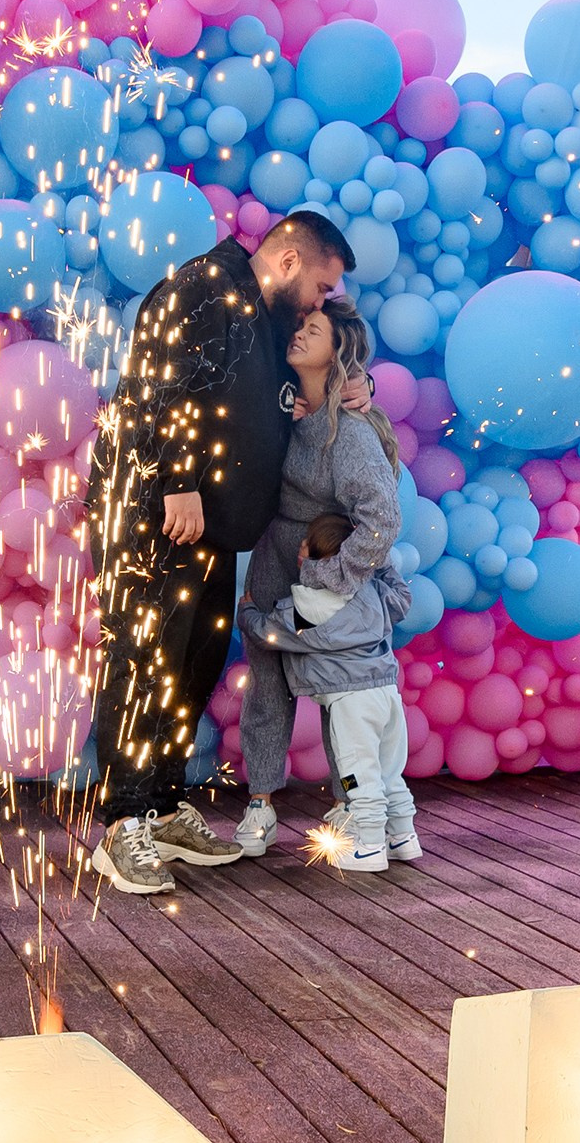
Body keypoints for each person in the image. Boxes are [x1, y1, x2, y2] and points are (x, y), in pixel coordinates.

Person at [87, 209, 359, 896]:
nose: (321, 303)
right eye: (322, 287)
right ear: (292, 261)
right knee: (146, 658)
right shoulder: (202, 288)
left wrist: (359, 386)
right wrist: (177, 479)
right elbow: (157, 382)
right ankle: (121, 826)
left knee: (191, 664)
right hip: (155, 514)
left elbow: (290, 376)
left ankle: (161, 804)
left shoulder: (263, 313)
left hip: (208, 529)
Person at [232, 297, 408, 858]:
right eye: (300, 326)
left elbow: (382, 518)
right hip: (274, 556)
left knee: (342, 687)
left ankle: (352, 808)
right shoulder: (278, 395)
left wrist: (335, 576)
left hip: (324, 556)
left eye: (315, 330)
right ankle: (260, 805)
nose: (300, 335)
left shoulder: (349, 432)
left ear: (340, 353)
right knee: (266, 683)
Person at [250, 510, 417, 871]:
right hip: (387, 692)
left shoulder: (309, 602)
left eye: (306, 542)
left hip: (349, 701)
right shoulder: (373, 590)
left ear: (311, 552)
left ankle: (370, 846)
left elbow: (268, 632)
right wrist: (378, 558)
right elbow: (403, 596)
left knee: (357, 771)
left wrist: (247, 611)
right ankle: (403, 837)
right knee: (389, 771)